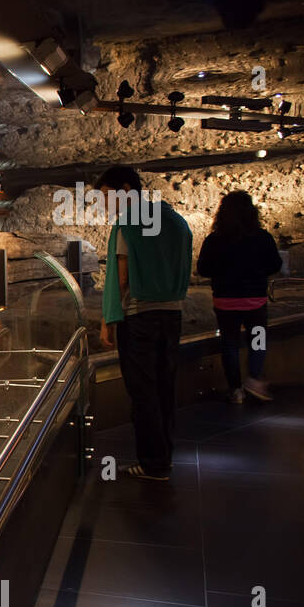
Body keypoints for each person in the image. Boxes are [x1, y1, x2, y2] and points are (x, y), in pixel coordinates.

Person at [98, 165, 193, 481]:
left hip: (138, 318)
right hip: (172, 314)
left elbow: (122, 278)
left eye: (108, 197)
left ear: (126, 188)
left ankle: (153, 463)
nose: (107, 206)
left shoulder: (129, 222)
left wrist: (109, 318)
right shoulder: (175, 221)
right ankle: (164, 455)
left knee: (143, 391)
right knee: (165, 386)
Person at [195, 191, 284, 403]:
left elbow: (203, 269)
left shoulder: (214, 240)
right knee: (258, 340)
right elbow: (275, 265)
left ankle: (235, 390)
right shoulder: (263, 238)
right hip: (255, 301)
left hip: (226, 302)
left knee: (229, 344)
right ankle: (254, 378)